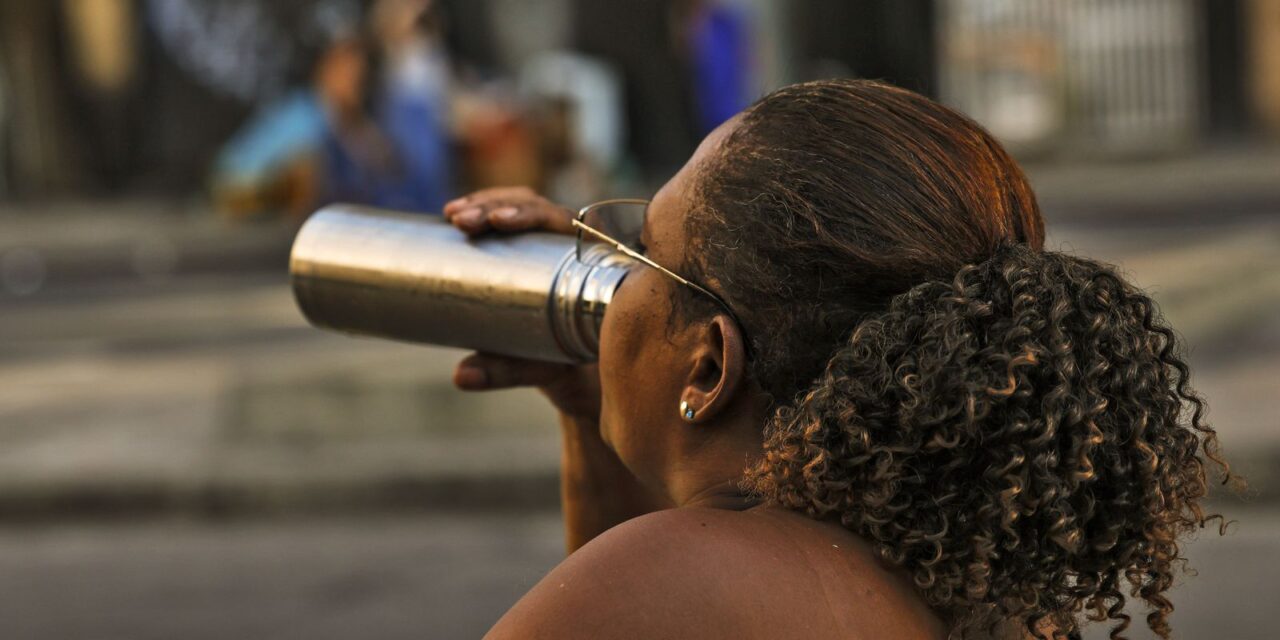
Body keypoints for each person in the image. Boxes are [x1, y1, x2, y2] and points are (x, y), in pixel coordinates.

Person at [442, 79, 1233, 640]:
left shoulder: (675, 579)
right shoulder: (994, 598)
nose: (614, 279)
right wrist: (596, 411)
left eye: (643, 249)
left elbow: (649, 593)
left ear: (711, 368)